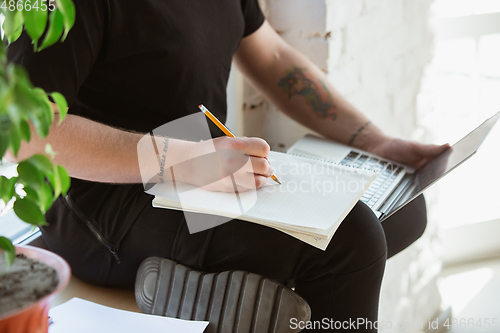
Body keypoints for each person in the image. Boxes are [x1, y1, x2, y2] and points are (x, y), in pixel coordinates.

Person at [7, 0, 448, 331]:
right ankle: (196, 286)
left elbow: (272, 57)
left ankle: (193, 288)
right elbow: (21, 132)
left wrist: (376, 140)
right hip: (103, 204)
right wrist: (183, 159)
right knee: (353, 241)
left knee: (403, 204)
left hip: (202, 170)